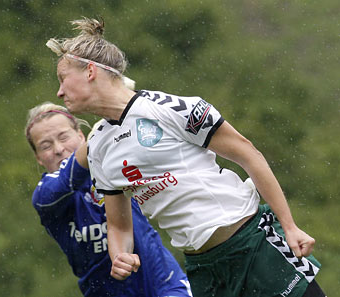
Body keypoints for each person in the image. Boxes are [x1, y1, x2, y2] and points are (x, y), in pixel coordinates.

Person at [46, 17, 326, 297]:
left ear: (91, 71)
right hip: (203, 267)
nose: (59, 92)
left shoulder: (170, 108)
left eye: (62, 78)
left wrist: (290, 227)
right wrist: (120, 254)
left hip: (251, 245)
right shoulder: (97, 146)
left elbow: (249, 155)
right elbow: (119, 224)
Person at [25, 101, 193, 297]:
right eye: (46, 145)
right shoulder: (45, 196)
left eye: (64, 137)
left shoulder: (115, 164)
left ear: (80, 135)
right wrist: (100, 138)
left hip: (165, 285)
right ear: (38, 157)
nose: (58, 148)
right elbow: (68, 177)